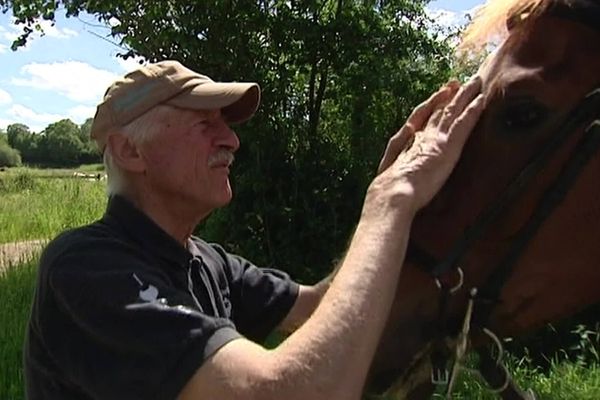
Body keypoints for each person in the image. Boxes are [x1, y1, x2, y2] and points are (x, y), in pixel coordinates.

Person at [24, 60, 484, 400]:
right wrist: (389, 204)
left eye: (225, 125)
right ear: (130, 152)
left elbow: (323, 306)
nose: (231, 140)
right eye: (205, 123)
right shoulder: (85, 269)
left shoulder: (209, 261)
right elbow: (286, 394)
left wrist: (389, 202)